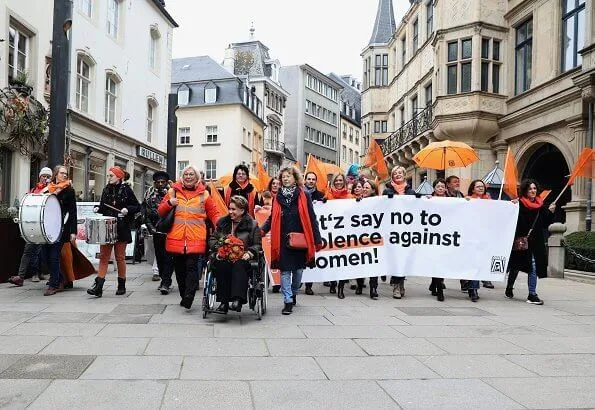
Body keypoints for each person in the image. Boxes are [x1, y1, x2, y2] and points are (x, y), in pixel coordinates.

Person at [158, 165, 220, 309]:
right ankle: (183, 294)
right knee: (179, 269)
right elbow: (160, 211)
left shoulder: (204, 194)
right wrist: (169, 203)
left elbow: (214, 213)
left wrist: (220, 226)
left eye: (191, 174)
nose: (188, 176)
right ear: (182, 176)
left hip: (196, 237)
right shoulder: (173, 191)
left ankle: (189, 296)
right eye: (186, 174)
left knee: (192, 267)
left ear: (197, 178)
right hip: (176, 237)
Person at [262, 166, 322, 315]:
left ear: (295, 178)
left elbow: (312, 218)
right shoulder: (277, 196)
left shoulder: (304, 194)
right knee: (285, 271)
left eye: (288, 176)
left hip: (300, 239)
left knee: (299, 271)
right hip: (282, 239)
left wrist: (317, 238)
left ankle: (294, 292)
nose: (285, 178)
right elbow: (272, 218)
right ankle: (287, 300)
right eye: (283, 176)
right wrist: (262, 230)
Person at [87, 166, 141, 298]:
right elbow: (103, 206)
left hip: (121, 227)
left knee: (120, 257)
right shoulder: (106, 189)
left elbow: (137, 206)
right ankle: (98, 286)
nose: (109, 178)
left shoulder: (127, 190)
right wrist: (97, 208)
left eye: (111, 175)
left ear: (118, 177)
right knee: (104, 257)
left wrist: (127, 209)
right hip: (107, 227)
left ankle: (121, 284)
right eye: (108, 175)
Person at [209, 195, 262, 313]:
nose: (230, 212)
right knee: (222, 265)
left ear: (242, 210)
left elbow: (257, 245)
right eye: (230, 209)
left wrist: (250, 253)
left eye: (233, 209)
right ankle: (223, 303)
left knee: (239, 265)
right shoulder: (222, 223)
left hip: (243, 257)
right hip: (225, 256)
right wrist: (218, 249)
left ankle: (237, 300)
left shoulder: (252, 225)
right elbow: (213, 239)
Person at [507, 179, 555, 305]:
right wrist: (512, 205)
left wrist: (551, 212)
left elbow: (546, 224)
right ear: (525, 191)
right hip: (522, 241)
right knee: (516, 266)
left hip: (535, 242)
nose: (533, 191)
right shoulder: (519, 204)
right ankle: (509, 287)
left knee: (533, 267)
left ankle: (532, 294)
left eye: (534, 188)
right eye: (530, 189)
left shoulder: (540, 206)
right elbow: (512, 220)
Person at [8, 167, 53, 286]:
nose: (46, 178)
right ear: (40, 177)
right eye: (44, 176)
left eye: (48, 176)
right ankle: (21, 277)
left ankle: (52, 276)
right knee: (28, 251)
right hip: (34, 224)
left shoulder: (52, 189)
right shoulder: (33, 190)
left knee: (47, 253)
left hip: (47, 226)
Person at [40, 165, 78, 296]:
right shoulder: (48, 189)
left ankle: (54, 284)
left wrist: (73, 231)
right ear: (56, 174)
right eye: (62, 173)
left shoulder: (69, 190)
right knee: (44, 255)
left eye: (66, 174)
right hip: (47, 227)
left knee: (53, 256)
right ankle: (60, 278)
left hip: (61, 227)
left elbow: (73, 211)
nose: (65, 175)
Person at [383, 166, 416, 299]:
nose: (397, 175)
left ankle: (400, 282)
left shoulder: (411, 192)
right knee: (396, 258)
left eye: (400, 173)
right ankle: (397, 285)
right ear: (392, 176)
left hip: (406, 230)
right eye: (395, 173)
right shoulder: (387, 191)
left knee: (403, 258)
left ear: (404, 175)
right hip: (392, 230)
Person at [143, 171, 174, 294]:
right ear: (155, 183)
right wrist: (151, 228)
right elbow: (146, 214)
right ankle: (163, 278)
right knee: (160, 257)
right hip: (157, 231)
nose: (161, 184)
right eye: (158, 182)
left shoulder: (172, 195)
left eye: (163, 182)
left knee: (168, 258)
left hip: (170, 231)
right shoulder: (149, 196)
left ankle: (166, 282)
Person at [325, 172, 352, 298]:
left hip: (344, 234)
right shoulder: (328, 195)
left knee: (342, 262)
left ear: (344, 182)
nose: (338, 182)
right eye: (336, 180)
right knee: (333, 260)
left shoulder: (350, 197)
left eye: (341, 180)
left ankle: (341, 288)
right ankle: (332, 283)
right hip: (331, 234)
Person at [303, 171, 325, 296]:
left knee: (311, 257)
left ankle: (309, 285)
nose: (311, 181)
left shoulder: (320, 195)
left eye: (313, 179)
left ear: (316, 181)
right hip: (302, 229)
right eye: (309, 179)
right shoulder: (300, 193)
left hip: (314, 229)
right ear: (305, 180)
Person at [427, 178, 448, 302]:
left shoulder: (452, 200)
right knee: (436, 261)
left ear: (445, 188)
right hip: (433, 236)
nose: (440, 188)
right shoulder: (429, 199)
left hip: (446, 236)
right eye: (438, 186)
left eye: (442, 186)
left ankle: (435, 284)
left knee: (441, 262)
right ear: (434, 188)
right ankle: (439, 288)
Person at [360, 179, 381, 299]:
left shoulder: (378, 202)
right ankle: (360, 284)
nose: (364, 189)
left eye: (367, 188)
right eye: (364, 187)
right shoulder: (357, 201)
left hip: (374, 237)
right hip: (360, 237)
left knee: (374, 263)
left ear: (373, 190)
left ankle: (373, 288)